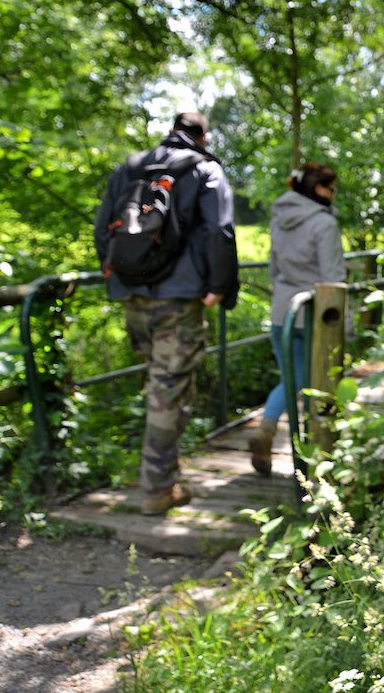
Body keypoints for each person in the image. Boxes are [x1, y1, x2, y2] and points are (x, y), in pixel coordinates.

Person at [93, 111, 240, 515]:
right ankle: (157, 490)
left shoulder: (131, 166)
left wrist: (116, 276)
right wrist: (219, 287)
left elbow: (103, 225)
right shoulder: (205, 169)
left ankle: (162, 475)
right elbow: (219, 231)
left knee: (159, 384)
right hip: (180, 297)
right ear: (203, 137)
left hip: (132, 291)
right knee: (168, 388)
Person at [249, 162, 344, 476]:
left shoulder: (280, 219)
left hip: (283, 312)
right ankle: (316, 457)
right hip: (316, 314)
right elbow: (332, 278)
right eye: (331, 189)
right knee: (312, 382)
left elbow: (273, 268)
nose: (333, 195)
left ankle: (268, 428)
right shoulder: (324, 224)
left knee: (292, 379)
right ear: (318, 189)